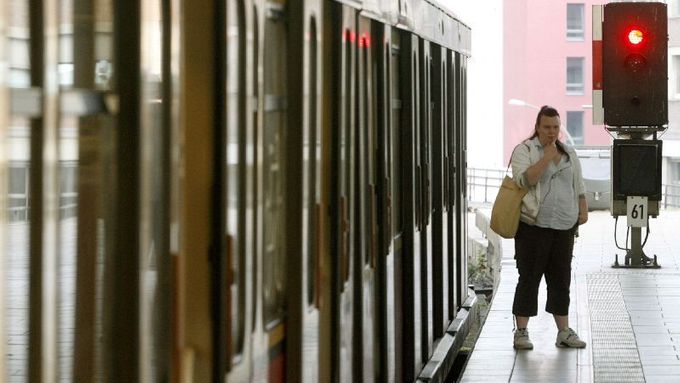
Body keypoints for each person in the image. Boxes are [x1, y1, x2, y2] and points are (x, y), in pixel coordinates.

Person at [510, 105, 588, 350]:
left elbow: (579, 184)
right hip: (533, 225)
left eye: (555, 127)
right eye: (547, 127)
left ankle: (563, 331)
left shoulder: (569, 153)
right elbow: (525, 179)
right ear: (537, 127)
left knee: (560, 279)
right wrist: (546, 158)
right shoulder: (525, 150)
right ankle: (521, 331)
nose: (552, 132)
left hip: (564, 225)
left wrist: (582, 209)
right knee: (529, 277)